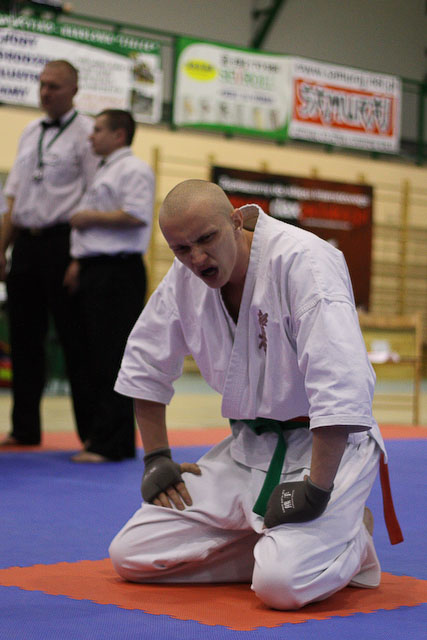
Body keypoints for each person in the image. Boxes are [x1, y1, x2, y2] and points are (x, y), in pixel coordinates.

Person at [108, 179, 388, 610]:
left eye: (207, 239)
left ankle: (354, 537)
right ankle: (280, 545)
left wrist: (317, 488)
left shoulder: (303, 262)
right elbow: (146, 363)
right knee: (132, 554)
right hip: (247, 450)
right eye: (181, 249)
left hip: (325, 451)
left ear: (236, 221)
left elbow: (339, 384)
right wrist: (157, 457)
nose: (196, 258)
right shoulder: (184, 279)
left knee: (281, 586)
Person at [0, 60, 98, 447]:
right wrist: (1, 249)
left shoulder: (88, 132)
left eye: (54, 86)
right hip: (25, 243)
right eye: (42, 85)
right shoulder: (29, 131)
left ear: (74, 90)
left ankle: (90, 434)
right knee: (24, 340)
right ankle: (24, 429)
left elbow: (94, 196)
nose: (45, 92)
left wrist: (79, 258)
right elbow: (13, 199)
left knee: (75, 341)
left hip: (64, 242)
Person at [65, 109, 155, 463]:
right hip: (94, 268)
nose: (91, 136)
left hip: (118, 272)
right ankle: (96, 436)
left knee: (111, 357)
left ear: (119, 135)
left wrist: (89, 217)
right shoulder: (103, 169)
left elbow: (136, 215)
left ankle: (113, 443)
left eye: (99, 130)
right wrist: (78, 262)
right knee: (88, 356)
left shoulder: (134, 169)